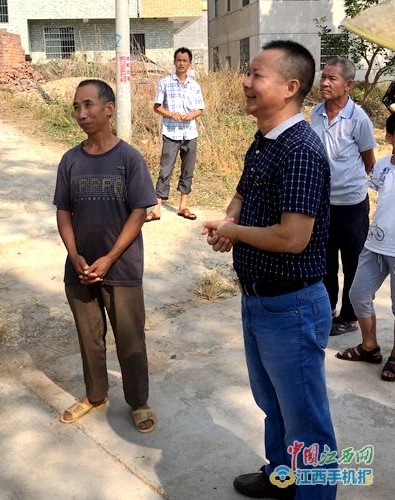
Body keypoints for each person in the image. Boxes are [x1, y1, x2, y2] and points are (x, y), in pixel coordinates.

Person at [203, 41, 337, 499]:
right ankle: (282, 475)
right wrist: (229, 224)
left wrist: (235, 233)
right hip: (259, 299)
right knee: (273, 403)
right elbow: (242, 194)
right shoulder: (264, 140)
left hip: (292, 305)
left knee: (306, 421)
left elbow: (292, 237)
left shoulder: (300, 150)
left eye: (256, 75)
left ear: (290, 87)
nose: (246, 82)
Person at [53, 79, 157, 432]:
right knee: (89, 337)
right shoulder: (70, 160)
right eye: (76, 106)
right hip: (80, 269)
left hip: (122, 268)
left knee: (130, 338)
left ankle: (138, 401)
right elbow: (63, 211)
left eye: (88, 105)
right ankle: (95, 395)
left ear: (109, 109)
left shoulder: (128, 158)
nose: (81, 113)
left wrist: (110, 257)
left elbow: (139, 212)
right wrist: (74, 255)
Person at [311, 57, 376, 336]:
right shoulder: (315, 113)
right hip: (322, 202)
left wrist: (350, 183)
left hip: (351, 204)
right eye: (323, 76)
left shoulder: (358, 119)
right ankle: (327, 311)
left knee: (353, 261)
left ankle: (350, 317)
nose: (324, 82)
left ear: (348, 85)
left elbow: (369, 162)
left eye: (332, 78)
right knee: (324, 259)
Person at [337, 112, 395, 381]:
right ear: (390, 137)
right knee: (358, 294)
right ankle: (369, 346)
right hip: (375, 245)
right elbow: (371, 194)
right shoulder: (382, 166)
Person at [146, 47, 205, 222]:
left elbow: (200, 109)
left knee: (188, 170)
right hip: (171, 133)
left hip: (190, 134)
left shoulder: (194, 85)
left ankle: (183, 206)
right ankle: (156, 208)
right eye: (179, 60)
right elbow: (157, 107)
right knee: (165, 170)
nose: (181, 63)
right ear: (174, 62)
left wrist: (191, 115)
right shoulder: (165, 82)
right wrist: (171, 114)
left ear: (189, 63)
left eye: (185, 61)